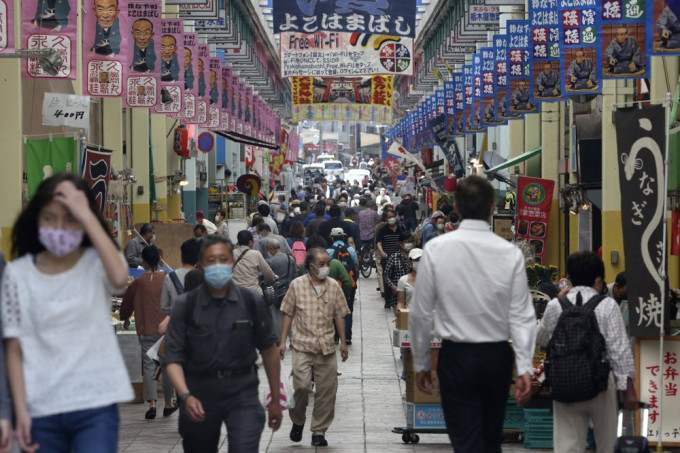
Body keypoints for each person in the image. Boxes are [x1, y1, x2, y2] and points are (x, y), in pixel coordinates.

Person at [3, 173, 133, 452]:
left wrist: (85, 214)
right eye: (49, 218)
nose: (59, 228)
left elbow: (121, 279)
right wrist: (20, 410)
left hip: (95, 405)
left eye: (70, 219)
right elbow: (14, 347)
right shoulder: (17, 274)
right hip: (41, 407)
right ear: (36, 219)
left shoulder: (96, 264)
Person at [409, 175, 537, 453]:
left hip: (457, 358)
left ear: (455, 205)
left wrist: (421, 362)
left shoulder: (436, 250)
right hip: (497, 358)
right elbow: (522, 314)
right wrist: (525, 365)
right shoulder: (509, 253)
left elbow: (420, 313)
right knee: (490, 438)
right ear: (493, 207)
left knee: (465, 439)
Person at [163, 237, 282, 452]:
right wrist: (185, 396)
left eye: (223, 259)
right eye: (211, 260)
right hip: (199, 392)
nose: (218, 265)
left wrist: (275, 399)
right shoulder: (186, 306)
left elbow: (269, 351)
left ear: (232, 263)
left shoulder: (250, 302)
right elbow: (172, 358)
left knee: (244, 447)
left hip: (242, 392)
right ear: (201, 264)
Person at [536, 251, 637, 452]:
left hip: (565, 382)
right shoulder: (607, 305)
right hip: (600, 384)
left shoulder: (557, 305)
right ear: (598, 280)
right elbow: (619, 350)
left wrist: (555, 302)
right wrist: (628, 389)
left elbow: (542, 339)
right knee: (605, 445)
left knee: (568, 445)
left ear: (570, 278)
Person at [279, 248, 350, 447]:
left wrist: (343, 342)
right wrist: (282, 342)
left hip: (326, 346)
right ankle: (298, 420)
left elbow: (339, 314)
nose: (326, 267)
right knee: (301, 386)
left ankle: (319, 431)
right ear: (311, 267)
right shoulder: (297, 285)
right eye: (322, 264)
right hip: (302, 345)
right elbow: (287, 313)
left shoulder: (334, 286)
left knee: (327, 391)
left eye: (327, 263)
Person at [119, 246, 177, 419]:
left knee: (149, 365)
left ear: (143, 261)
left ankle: (152, 404)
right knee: (166, 366)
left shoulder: (138, 282)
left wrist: (126, 317)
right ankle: (168, 403)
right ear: (159, 259)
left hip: (145, 329)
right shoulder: (168, 279)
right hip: (165, 330)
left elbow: (126, 303)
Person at [326, 228, 359, 345]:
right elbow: (355, 267)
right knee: (348, 310)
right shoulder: (351, 250)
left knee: (333, 310)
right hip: (349, 285)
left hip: (333, 286)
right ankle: (347, 337)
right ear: (343, 237)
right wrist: (354, 282)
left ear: (332, 238)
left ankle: (335, 337)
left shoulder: (328, 252)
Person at [265, 241, 297, 344]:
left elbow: (268, 279)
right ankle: (293, 338)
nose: (269, 252)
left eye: (269, 250)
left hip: (276, 292)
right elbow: (295, 275)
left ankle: (278, 339)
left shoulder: (270, 261)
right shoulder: (290, 259)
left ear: (272, 248)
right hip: (289, 289)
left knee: (277, 316)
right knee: (290, 314)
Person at [160, 238, 200, 317]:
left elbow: (164, 308)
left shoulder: (170, 277)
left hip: (176, 325)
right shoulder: (205, 277)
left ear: (182, 256)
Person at [232, 230, 277, 295]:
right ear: (250, 242)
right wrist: (274, 276)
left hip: (236, 293)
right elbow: (267, 271)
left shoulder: (232, 253)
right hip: (254, 293)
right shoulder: (256, 254)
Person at [376, 208, 403, 307]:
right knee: (387, 278)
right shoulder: (383, 229)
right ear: (386, 218)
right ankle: (388, 301)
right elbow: (379, 242)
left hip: (399, 258)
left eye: (393, 217)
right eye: (389, 217)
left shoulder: (401, 228)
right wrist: (382, 252)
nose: (391, 219)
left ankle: (399, 298)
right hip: (387, 257)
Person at [384, 231, 415, 313]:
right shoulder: (394, 257)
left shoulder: (417, 258)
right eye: (407, 242)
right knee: (402, 321)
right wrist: (392, 286)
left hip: (413, 295)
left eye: (411, 241)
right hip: (397, 295)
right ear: (401, 244)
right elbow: (386, 275)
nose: (410, 244)